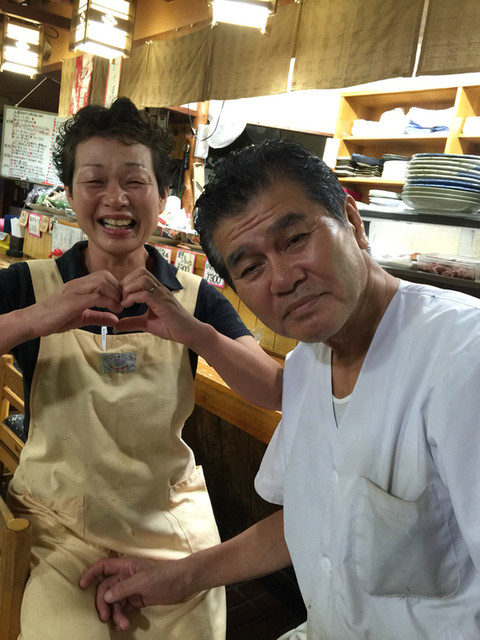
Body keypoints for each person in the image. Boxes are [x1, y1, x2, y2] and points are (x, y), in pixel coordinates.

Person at [81, 138, 480, 639]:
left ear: (351, 221)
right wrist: (179, 576)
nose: (284, 279)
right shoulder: (309, 362)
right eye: (251, 267)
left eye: (294, 240)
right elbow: (313, 520)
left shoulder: (463, 358)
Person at [0, 98, 283, 640]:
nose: (116, 198)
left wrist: (195, 332)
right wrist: (36, 318)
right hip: (58, 526)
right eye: (94, 181)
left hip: (168, 525)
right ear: (69, 193)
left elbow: (273, 389)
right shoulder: (29, 285)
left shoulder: (196, 297)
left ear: (163, 196)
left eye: (135, 181)